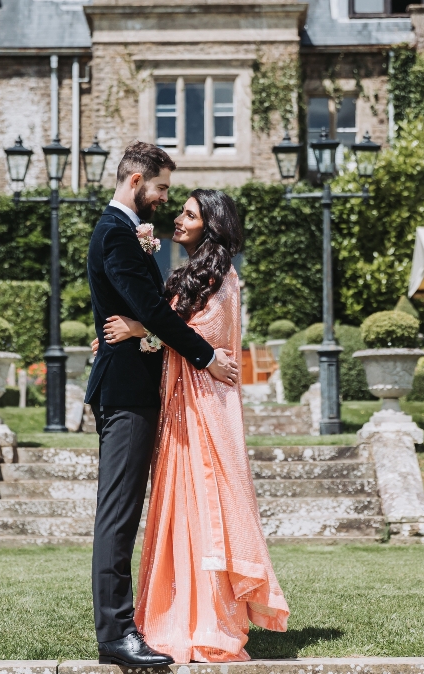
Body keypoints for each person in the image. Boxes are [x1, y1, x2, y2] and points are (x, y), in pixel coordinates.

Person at [102, 189, 289, 662]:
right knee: (178, 503)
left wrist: (140, 328)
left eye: (189, 214)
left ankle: (210, 620)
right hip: (183, 402)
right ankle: (174, 614)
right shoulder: (189, 273)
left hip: (207, 404)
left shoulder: (224, 277)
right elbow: (175, 323)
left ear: (212, 225)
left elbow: (203, 334)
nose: (177, 219)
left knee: (207, 503)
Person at [84, 142, 242, 668]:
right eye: (162, 188)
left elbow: (136, 314)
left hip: (135, 384)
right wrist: (206, 357)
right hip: (127, 393)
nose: (164, 199)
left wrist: (128, 331)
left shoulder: (123, 236)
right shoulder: (117, 235)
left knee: (125, 514)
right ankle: (116, 635)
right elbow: (151, 308)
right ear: (136, 183)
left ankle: (132, 626)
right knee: (119, 516)